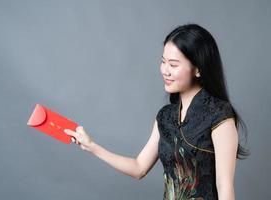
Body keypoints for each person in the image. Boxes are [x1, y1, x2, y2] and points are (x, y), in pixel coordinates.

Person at [64, 23, 250, 200]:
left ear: (198, 70)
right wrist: (92, 146)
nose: (165, 70)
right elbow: (139, 168)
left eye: (174, 64)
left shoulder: (218, 114)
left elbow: (225, 187)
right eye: (163, 62)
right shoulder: (165, 116)